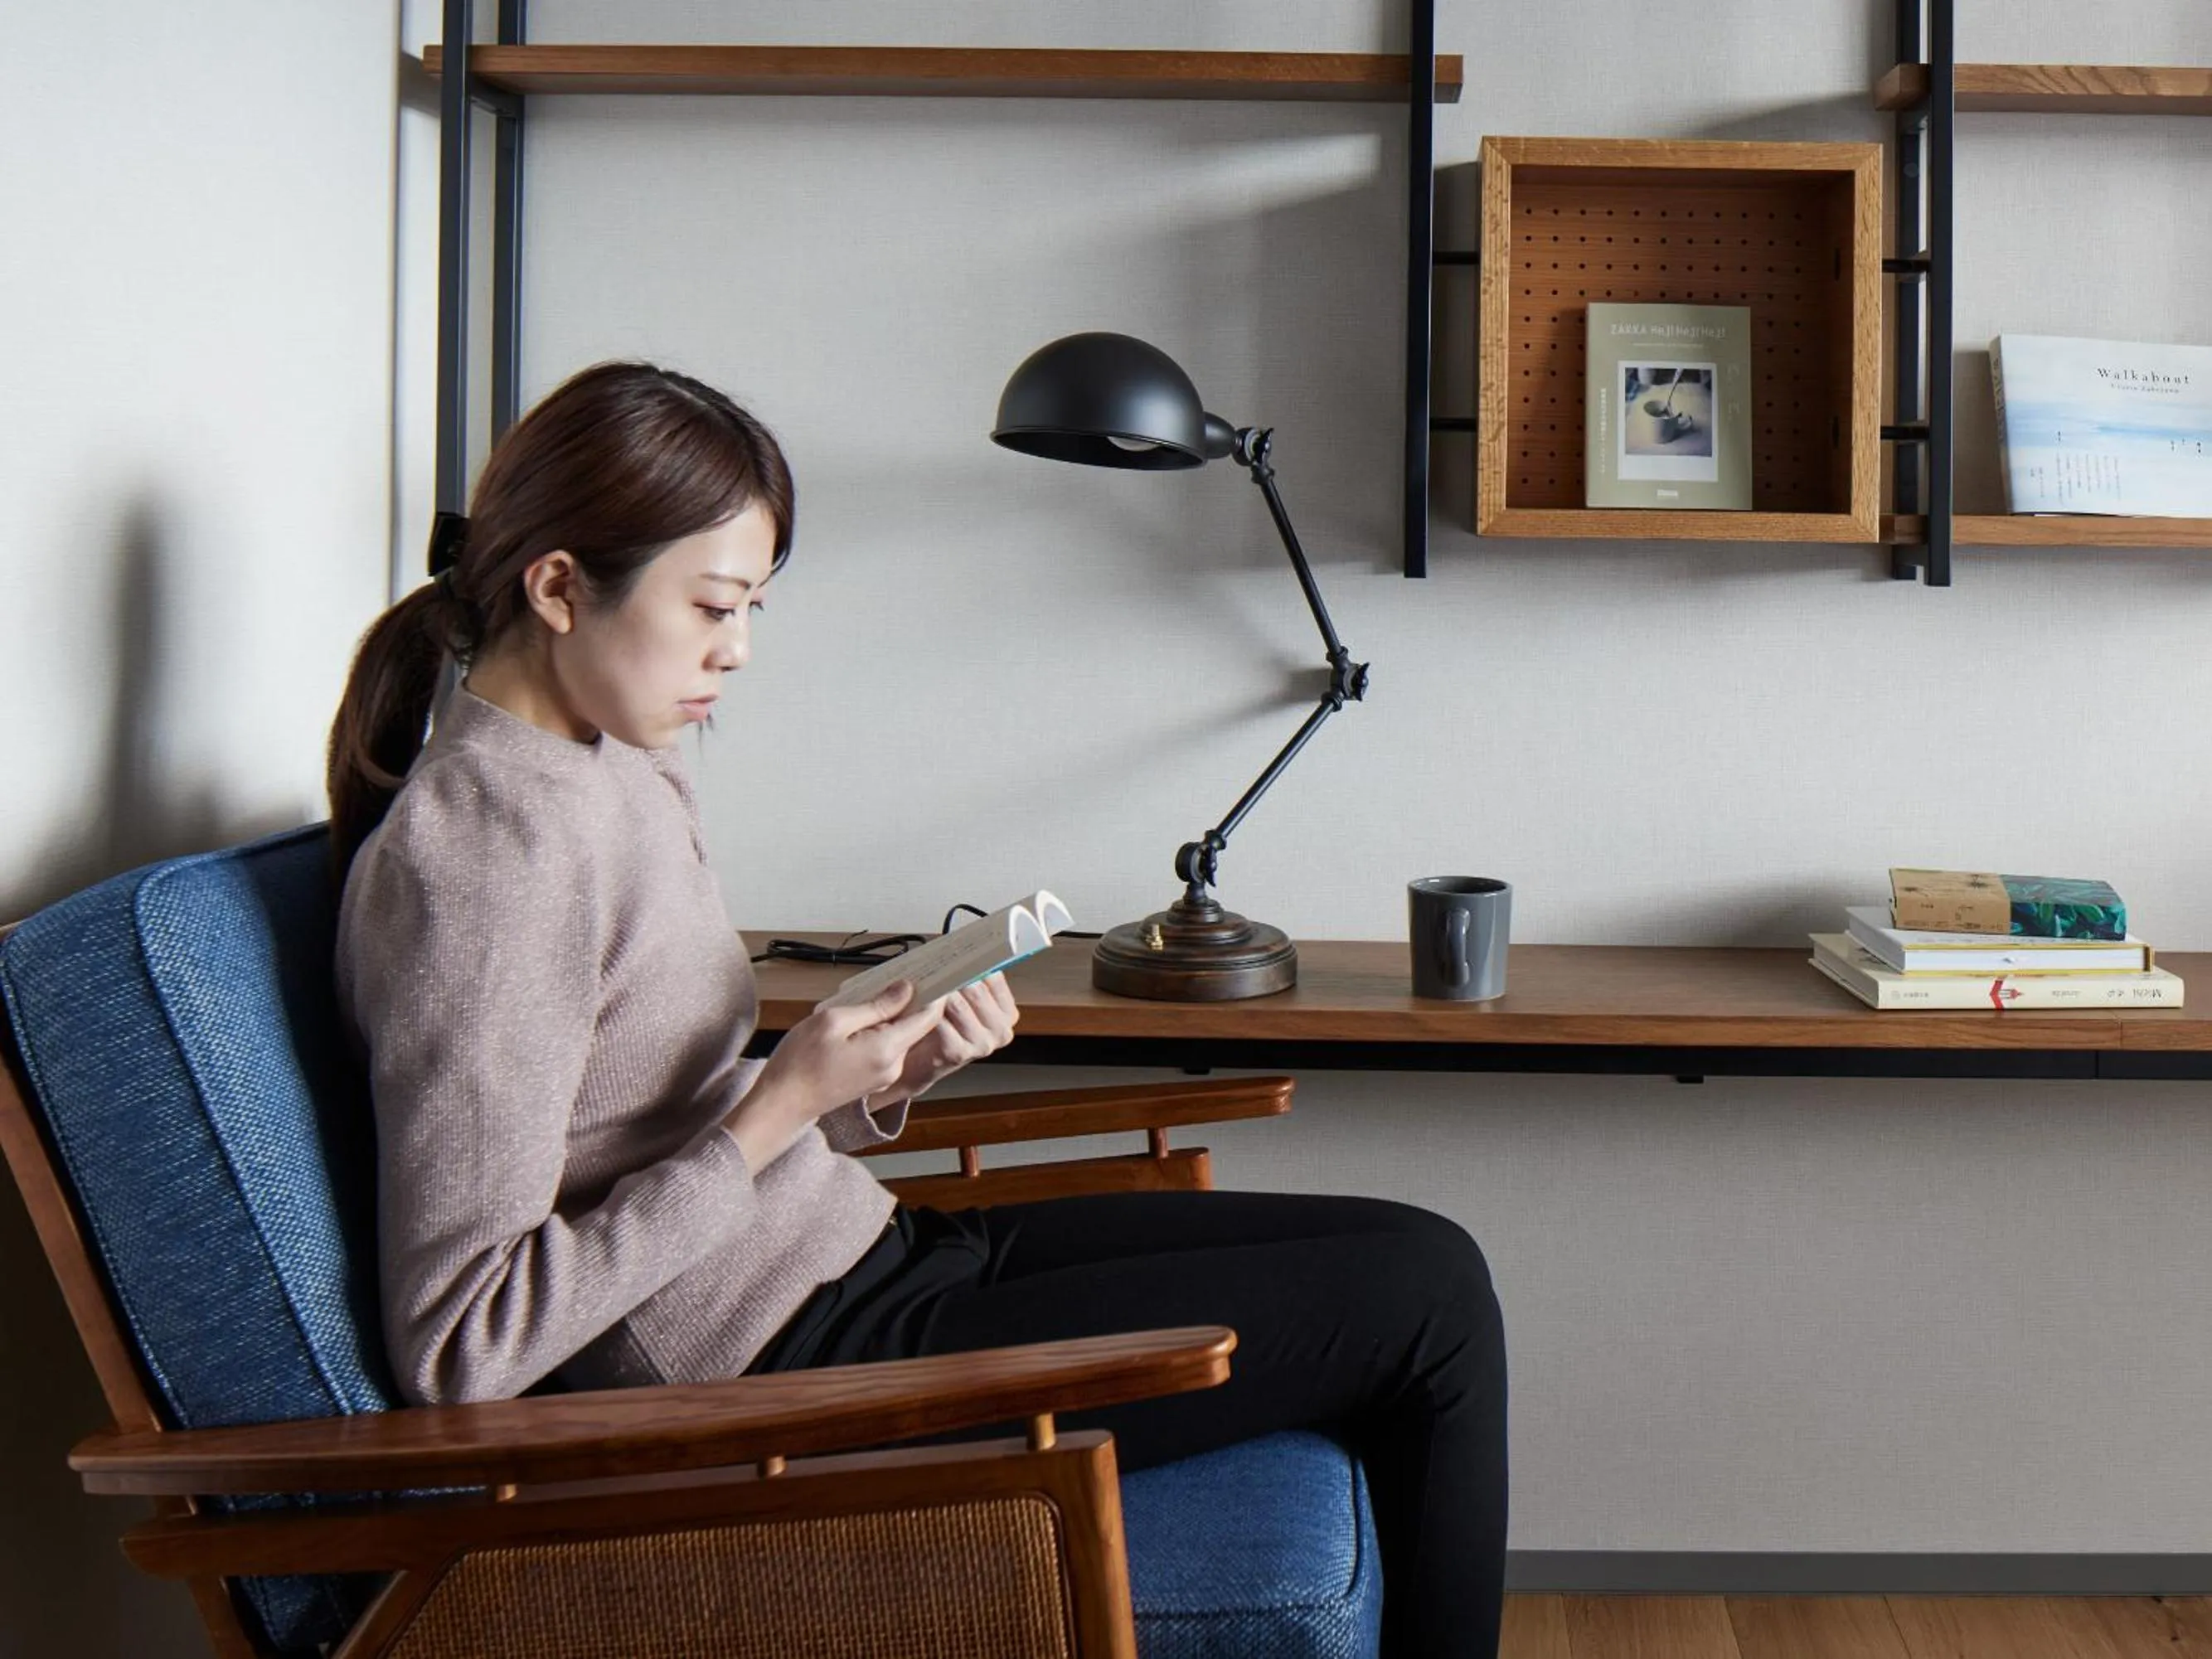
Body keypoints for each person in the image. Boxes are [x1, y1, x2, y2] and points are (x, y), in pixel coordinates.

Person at [327, 360, 1508, 1657]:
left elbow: (636, 1114)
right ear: (558, 588)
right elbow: (463, 1345)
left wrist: (877, 1078)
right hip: (786, 1381)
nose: (738, 650)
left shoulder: (608, 762)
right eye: (713, 606)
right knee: (1428, 1312)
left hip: (870, 1260)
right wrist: (781, 1106)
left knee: (1430, 1254)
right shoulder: (483, 860)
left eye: (753, 607)